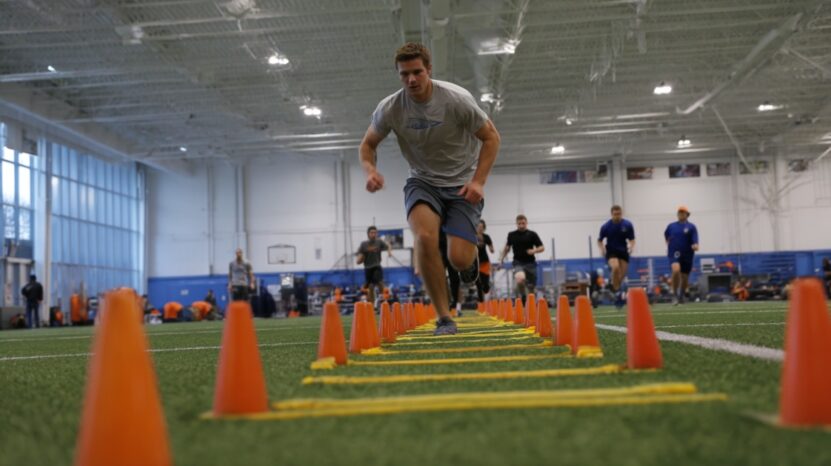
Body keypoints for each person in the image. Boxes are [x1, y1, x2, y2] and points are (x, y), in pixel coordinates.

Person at [359, 42, 500, 336]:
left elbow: (491, 138)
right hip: (422, 182)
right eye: (404, 74)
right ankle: (444, 318)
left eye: (417, 72)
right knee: (423, 236)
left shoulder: (456, 100)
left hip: (462, 185)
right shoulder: (391, 107)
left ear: (429, 70)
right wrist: (371, 170)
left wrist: (478, 181)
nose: (411, 80)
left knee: (459, 258)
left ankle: (467, 260)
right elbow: (368, 144)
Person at [597, 205, 636, 308]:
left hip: (623, 251)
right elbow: (600, 240)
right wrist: (602, 249)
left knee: (622, 276)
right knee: (615, 267)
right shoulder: (606, 226)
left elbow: (632, 239)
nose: (617, 216)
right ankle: (616, 292)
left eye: (619, 214)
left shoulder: (627, 225)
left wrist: (631, 247)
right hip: (611, 251)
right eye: (615, 214)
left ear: (621, 214)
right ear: (612, 214)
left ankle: (615, 291)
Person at [499, 215, 544, 299]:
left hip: (530, 263)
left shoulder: (532, 234)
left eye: (523, 223)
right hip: (518, 262)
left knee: (531, 289)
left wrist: (534, 251)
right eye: (519, 224)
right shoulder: (511, 235)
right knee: (520, 279)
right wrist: (501, 259)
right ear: (516, 224)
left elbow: (542, 247)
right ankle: (523, 296)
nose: (521, 225)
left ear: (526, 223)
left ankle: (531, 301)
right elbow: (507, 248)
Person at [664, 205, 699, 305]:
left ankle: (681, 295)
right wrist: (669, 245)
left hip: (687, 254)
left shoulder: (691, 227)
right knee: (675, 270)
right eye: (679, 212)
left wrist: (695, 246)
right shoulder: (671, 226)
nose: (681, 214)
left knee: (684, 277)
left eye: (683, 212)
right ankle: (674, 294)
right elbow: (666, 235)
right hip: (674, 252)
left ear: (687, 215)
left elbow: (695, 241)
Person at [356, 226, 393, 305]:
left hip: (376, 265)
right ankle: (371, 305)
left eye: (375, 233)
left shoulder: (379, 242)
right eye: (372, 233)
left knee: (380, 282)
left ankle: (384, 297)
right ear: (368, 234)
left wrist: (389, 252)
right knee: (371, 287)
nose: (373, 234)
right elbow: (359, 255)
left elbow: (388, 245)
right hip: (367, 268)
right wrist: (359, 259)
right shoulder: (363, 244)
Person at [475, 220, 494, 302]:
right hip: (475, 262)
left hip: (485, 262)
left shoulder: (486, 237)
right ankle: (481, 303)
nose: (480, 229)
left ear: (484, 228)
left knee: (485, 285)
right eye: (478, 227)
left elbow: (491, 249)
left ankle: (487, 291)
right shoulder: (472, 237)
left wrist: (491, 249)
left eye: (481, 227)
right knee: (478, 283)